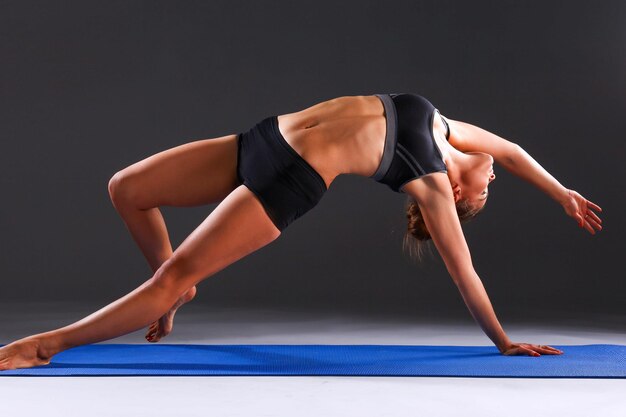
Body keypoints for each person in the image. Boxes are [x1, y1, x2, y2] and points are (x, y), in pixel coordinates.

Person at [0, 93, 602, 370]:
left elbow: (464, 274)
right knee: (126, 189)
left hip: (293, 176)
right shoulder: (447, 128)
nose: (493, 178)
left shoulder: (434, 184)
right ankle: (172, 286)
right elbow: (516, 152)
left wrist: (502, 341)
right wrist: (562, 194)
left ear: (460, 195)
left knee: (172, 274)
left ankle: (43, 346)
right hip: (264, 139)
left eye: (487, 193)